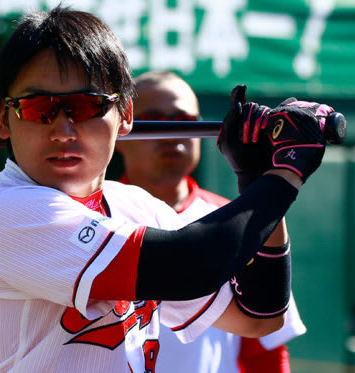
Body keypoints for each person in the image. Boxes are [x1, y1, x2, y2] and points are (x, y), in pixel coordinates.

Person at [0, 6, 334, 372]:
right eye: (38, 108)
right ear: (4, 119)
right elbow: (190, 267)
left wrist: (258, 178)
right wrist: (284, 175)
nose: (62, 131)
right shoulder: (1, 214)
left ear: (125, 115)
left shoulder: (133, 206)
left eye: (86, 106)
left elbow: (258, 316)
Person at [115, 71, 307, 373]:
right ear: (121, 130)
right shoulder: (91, 216)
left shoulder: (241, 219)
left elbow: (265, 348)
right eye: (154, 120)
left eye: (185, 121)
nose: (172, 133)